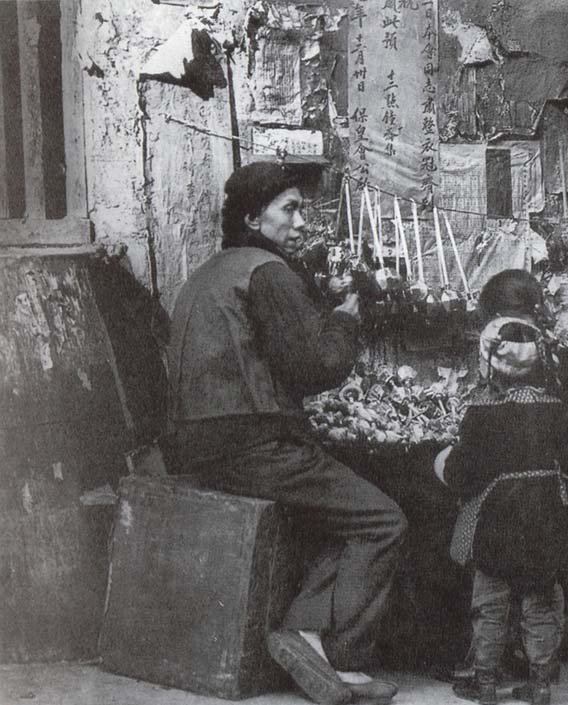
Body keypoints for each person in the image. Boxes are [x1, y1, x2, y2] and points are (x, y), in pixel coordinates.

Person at [166, 160, 407, 705]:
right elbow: (316, 368)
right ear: (254, 217)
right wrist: (346, 317)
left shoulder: (211, 272)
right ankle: (335, 657)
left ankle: (306, 634)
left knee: (333, 514)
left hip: (201, 443)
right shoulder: (267, 272)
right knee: (382, 519)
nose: (302, 222)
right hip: (253, 444)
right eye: (290, 209)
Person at [433, 269, 568, 705]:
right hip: (547, 520)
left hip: (497, 522)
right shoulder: (557, 407)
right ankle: (539, 682)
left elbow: (464, 474)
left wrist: (442, 462)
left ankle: (484, 682)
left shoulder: (483, 413)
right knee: (541, 599)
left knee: (490, 600)